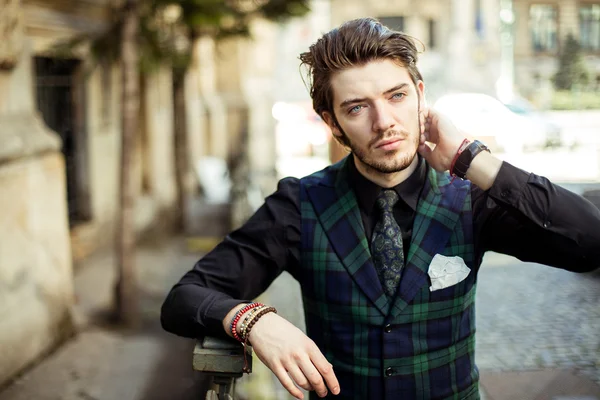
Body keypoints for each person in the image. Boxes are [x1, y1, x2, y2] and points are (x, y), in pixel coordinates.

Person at [161, 17, 600, 400]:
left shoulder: (469, 196)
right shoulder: (298, 205)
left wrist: (472, 159)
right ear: (332, 122)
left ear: (420, 94)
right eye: (357, 107)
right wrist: (253, 320)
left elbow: (590, 241)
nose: (384, 121)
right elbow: (185, 298)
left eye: (396, 96)